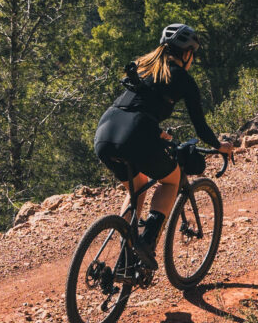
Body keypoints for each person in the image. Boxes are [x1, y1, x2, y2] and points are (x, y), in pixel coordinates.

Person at [93, 23, 238, 263]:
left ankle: (124, 246)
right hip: (136, 133)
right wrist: (219, 146)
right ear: (187, 53)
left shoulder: (142, 66)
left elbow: (137, 104)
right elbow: (200, 126)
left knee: (136, 187)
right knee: (170, 181)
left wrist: (155, 131)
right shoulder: (183, 78)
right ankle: (147, 242)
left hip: (106, 131)